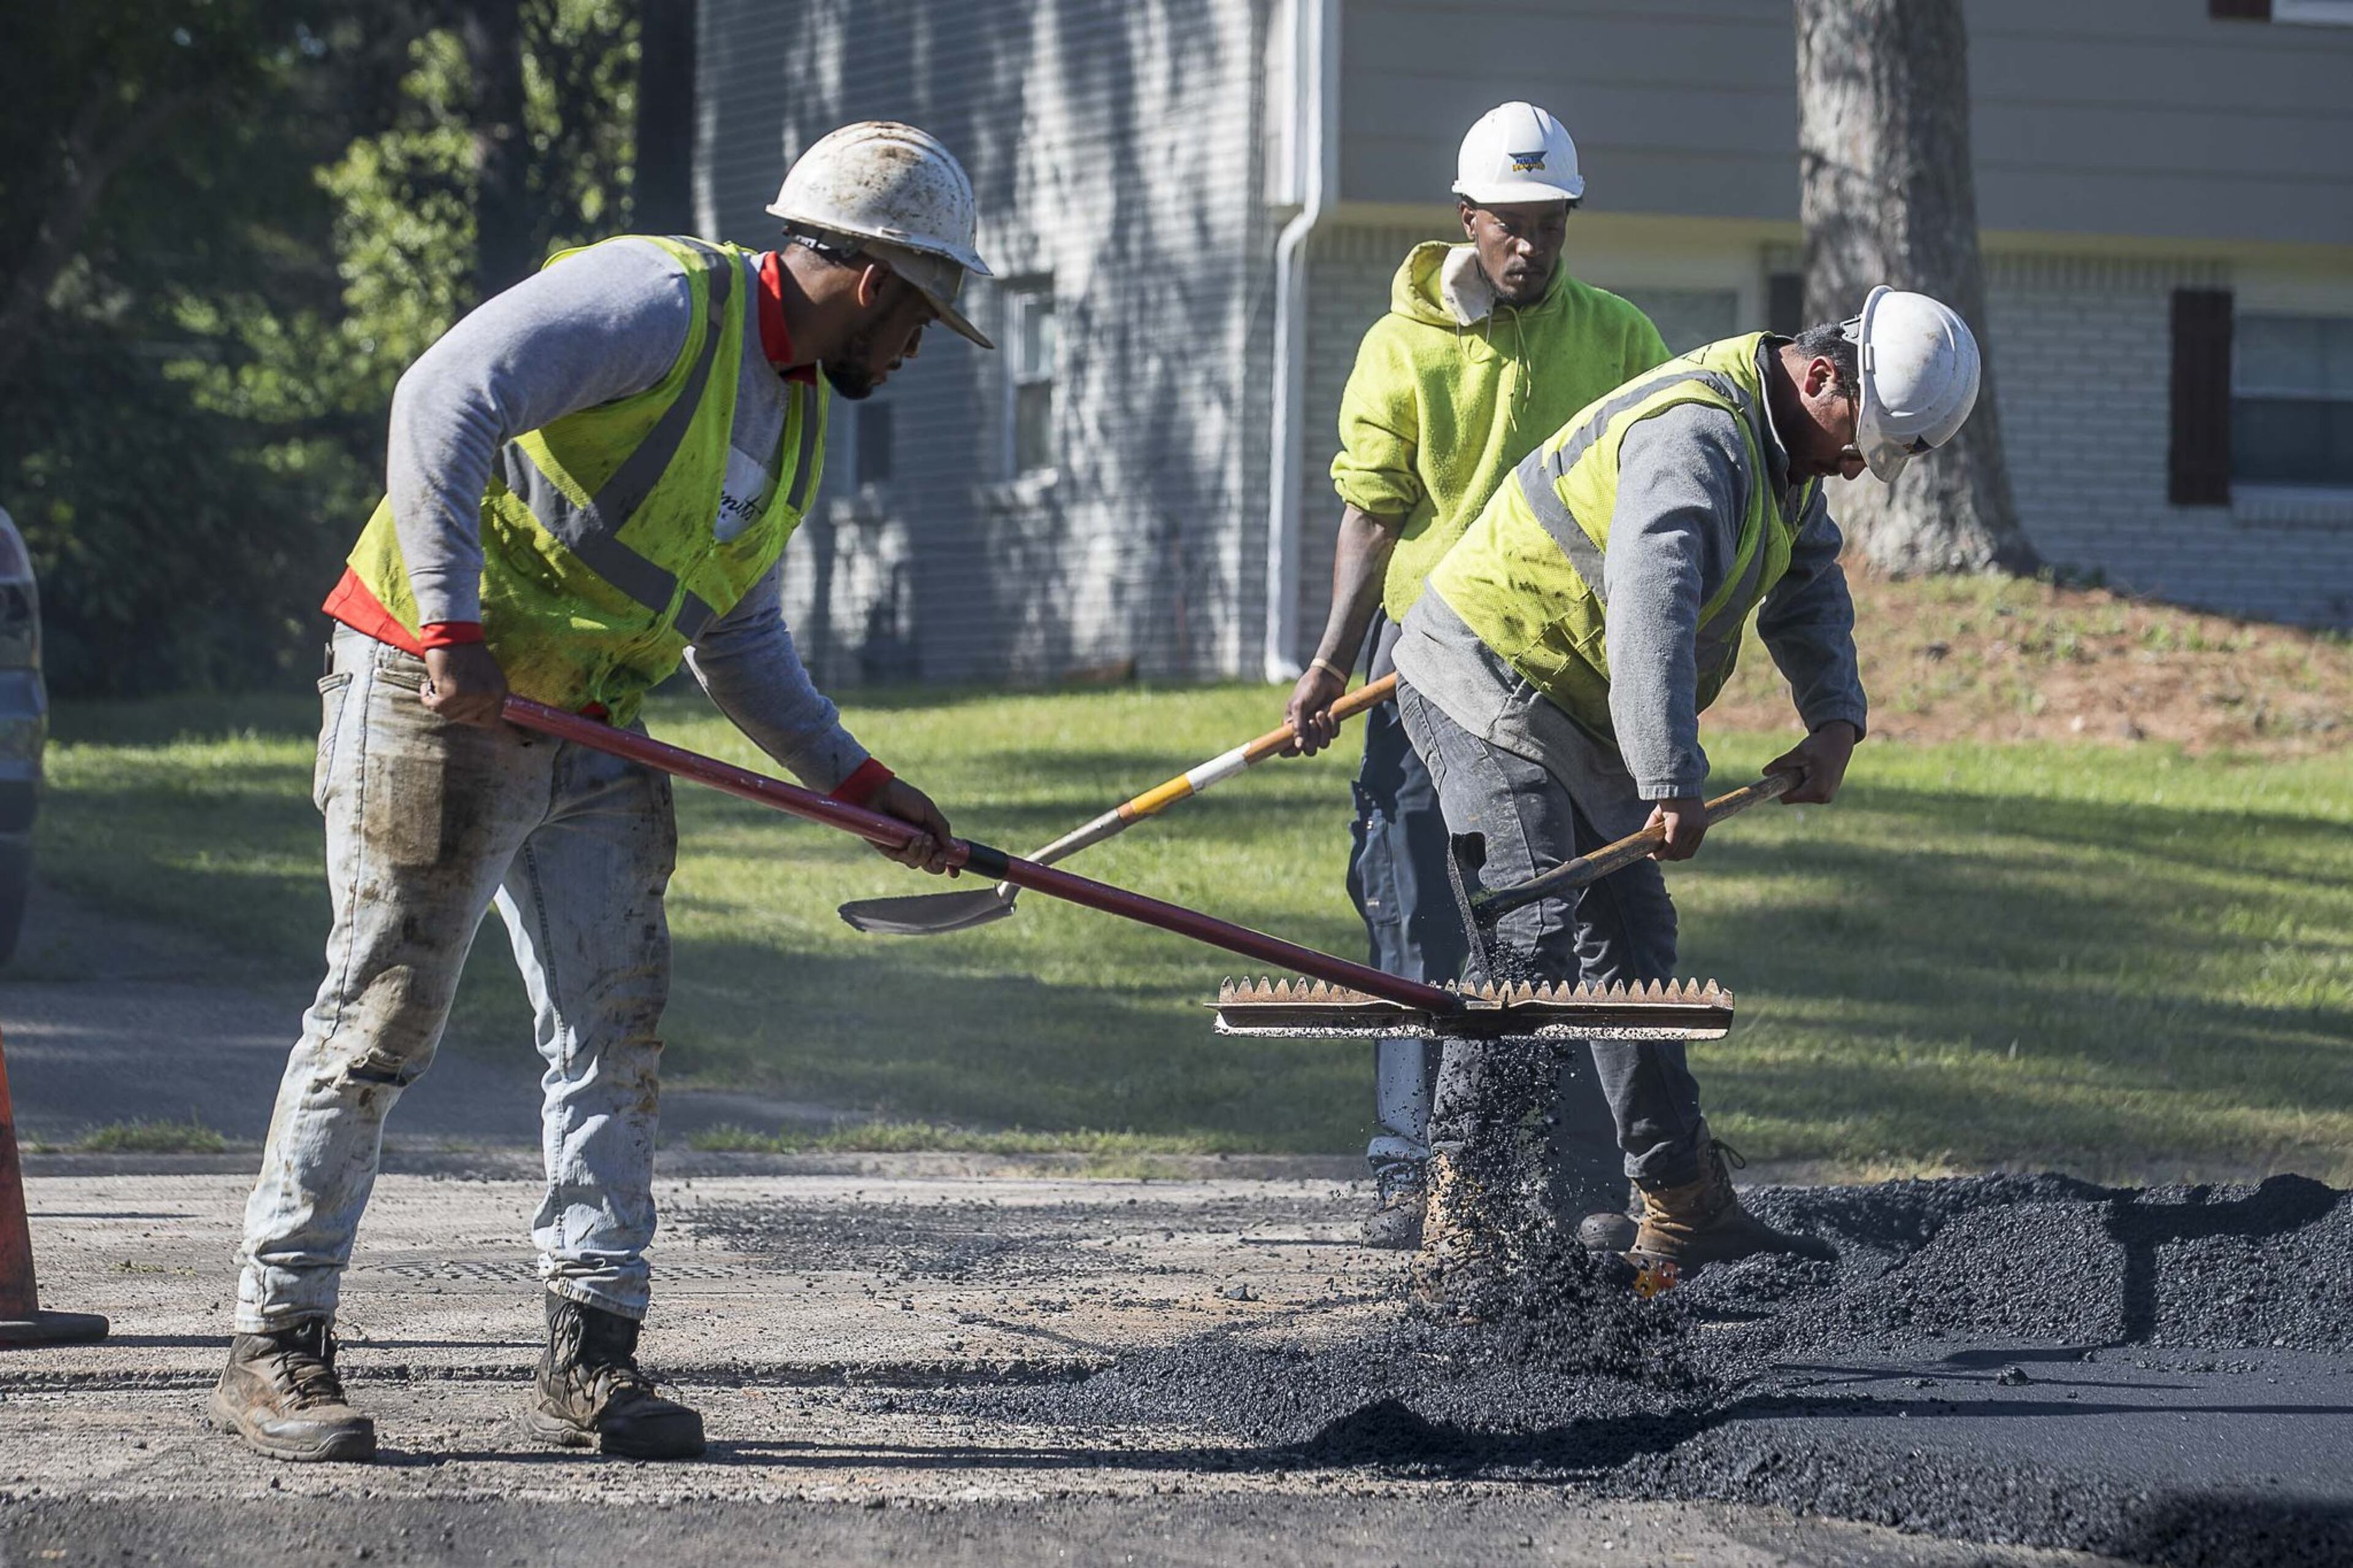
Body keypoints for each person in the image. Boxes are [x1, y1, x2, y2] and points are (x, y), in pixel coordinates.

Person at [211, 123, 990, 1463]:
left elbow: (732, 637)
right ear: (877, 281)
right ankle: (276, 1340)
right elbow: (440, 397)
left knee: (615, 1030)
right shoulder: (654, 300)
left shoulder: (795, 413)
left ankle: (595, 1350)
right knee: (380, 1015)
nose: (916, 350)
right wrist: (451, 630)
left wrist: (861, 782)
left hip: (594, 722)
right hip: (434, 687)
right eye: (924, 317)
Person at [1391, 287, 1985, 1305]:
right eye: (1858, 443)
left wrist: (1836, 716)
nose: (1853, 466)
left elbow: (1806, 578)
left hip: (1575, 701)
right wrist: (1669, 781)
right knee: (1529, 937)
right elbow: (1651, 611)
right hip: (1489, 676)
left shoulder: (1787, 445)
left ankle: (1678, 1199)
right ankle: (1466, 1214)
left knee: (1630, 946)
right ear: (1823, 374)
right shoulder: (1700, 439)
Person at [1282, 102, 1670, 1249]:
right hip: (1423, 673)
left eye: (1552, 225)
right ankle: (1414, 1173)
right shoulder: (1402, 349)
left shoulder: (1617, 338)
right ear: (1466, 218)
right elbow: (1372, 517)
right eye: (1511, 225)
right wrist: (1329, 663)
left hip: (1563, 677)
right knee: (1414, 911)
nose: (1532, 249)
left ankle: (1585, 1176)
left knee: (1566, 917)